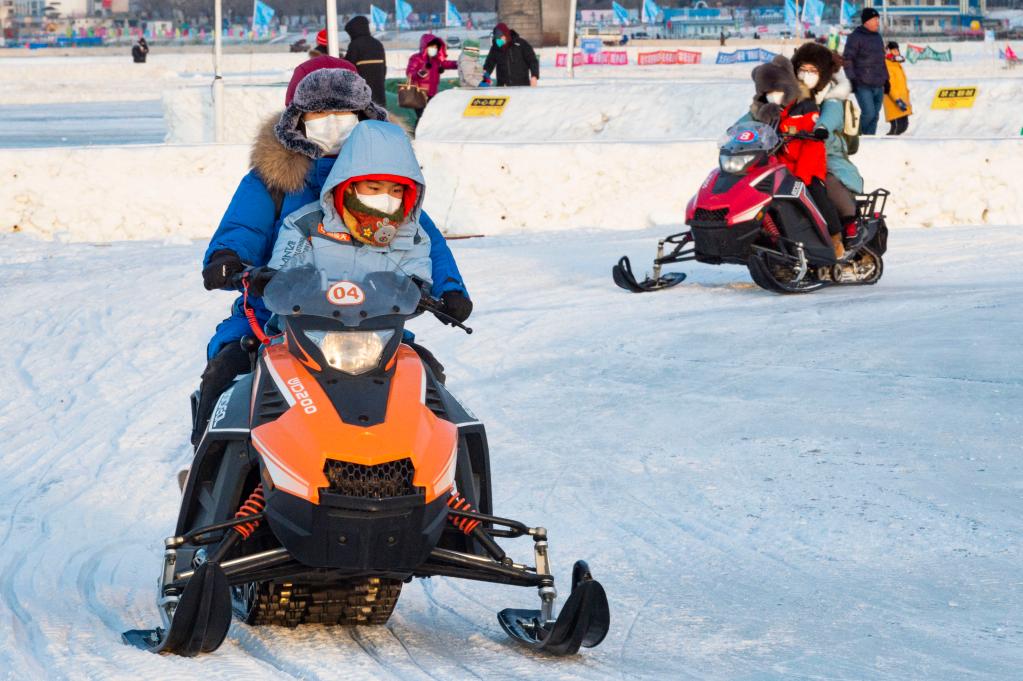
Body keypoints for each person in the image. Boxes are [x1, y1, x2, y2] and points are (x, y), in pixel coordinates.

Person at [193, 59, 471, 446]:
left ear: (363, 116)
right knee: (226, 372)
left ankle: (436, 480)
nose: (333, 122)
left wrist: (450, 288)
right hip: (276, 312)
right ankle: (212, 469)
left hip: (371, 314)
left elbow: (420, 234)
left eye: (345, 114)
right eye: (320, 113)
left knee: (427, 380)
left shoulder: (383, 177)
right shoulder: (273, 179)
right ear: (298, 116)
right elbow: (244, 227)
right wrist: (229, 259)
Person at [749, 55, 846, 258]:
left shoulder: (805, 108)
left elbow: (812, 145)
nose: (772, 96)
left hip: (807, 167)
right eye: (767, 92)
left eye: (776, 91)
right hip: (781, 169)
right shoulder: (770, 113)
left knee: (815, 195)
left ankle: (835, 238)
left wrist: (801, 175)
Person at [793, 42, 868, 250]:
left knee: (828, 179)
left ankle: (849, 222)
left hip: (827, 152)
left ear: (823, 72)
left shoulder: (832, 95)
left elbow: (831, 115)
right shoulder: (790, 93)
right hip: (793, 152)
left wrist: (822, 128)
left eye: (812, 70)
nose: (806, 75)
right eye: (802, 69)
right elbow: (763, 111)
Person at [843, 8, 888, 135]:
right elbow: (847, 59)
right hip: (862, 83)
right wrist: (851, 79)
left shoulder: (878, 37)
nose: (877, 22)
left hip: (879, 84)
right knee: (869, 114)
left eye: (878, 19)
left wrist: (887, 80)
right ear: (866, 21)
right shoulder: (855, 37)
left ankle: (869, 141)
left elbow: (882, 61)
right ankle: (855, 137)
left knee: (875, 116)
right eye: (875, 20)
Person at [406, 34, 458, 123]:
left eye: (435, 47)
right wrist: (419, 74)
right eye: (431, 46)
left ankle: (426, 134)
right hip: (419, 94)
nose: (434, 49)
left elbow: (447, 63)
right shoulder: (416, 58)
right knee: (422, 117)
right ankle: (418, 134)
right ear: (425, 46)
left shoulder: (437, 60)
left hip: (432, 94)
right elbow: (410, 73)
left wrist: (460, 63)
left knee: (430, 117)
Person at [344, 16, 388, 107]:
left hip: (361, 93)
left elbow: (349, 68)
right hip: (379, 91)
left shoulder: (354, 45)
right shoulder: (378, 44)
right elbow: (384, 68)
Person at [481, 23, 539, 87]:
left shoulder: (521, 44)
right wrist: (483, 79)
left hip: (522, 86)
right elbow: (488, 65)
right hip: (503, 87)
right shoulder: (495, 48)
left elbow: (532, 61)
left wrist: (534, 76)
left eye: (500, 38)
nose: (498, 41)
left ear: (506, 35)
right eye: (497, 39)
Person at [884, 41, 912, 136]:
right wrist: (897, 100)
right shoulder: (887, 65)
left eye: (897, 50)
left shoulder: (896, 64)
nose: (897, 52)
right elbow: (889, 85)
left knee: (904, 126)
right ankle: (882, 147)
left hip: (902, 101)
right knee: (896, 128)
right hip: (894, 102)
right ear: (888, 51)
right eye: (894, 50)